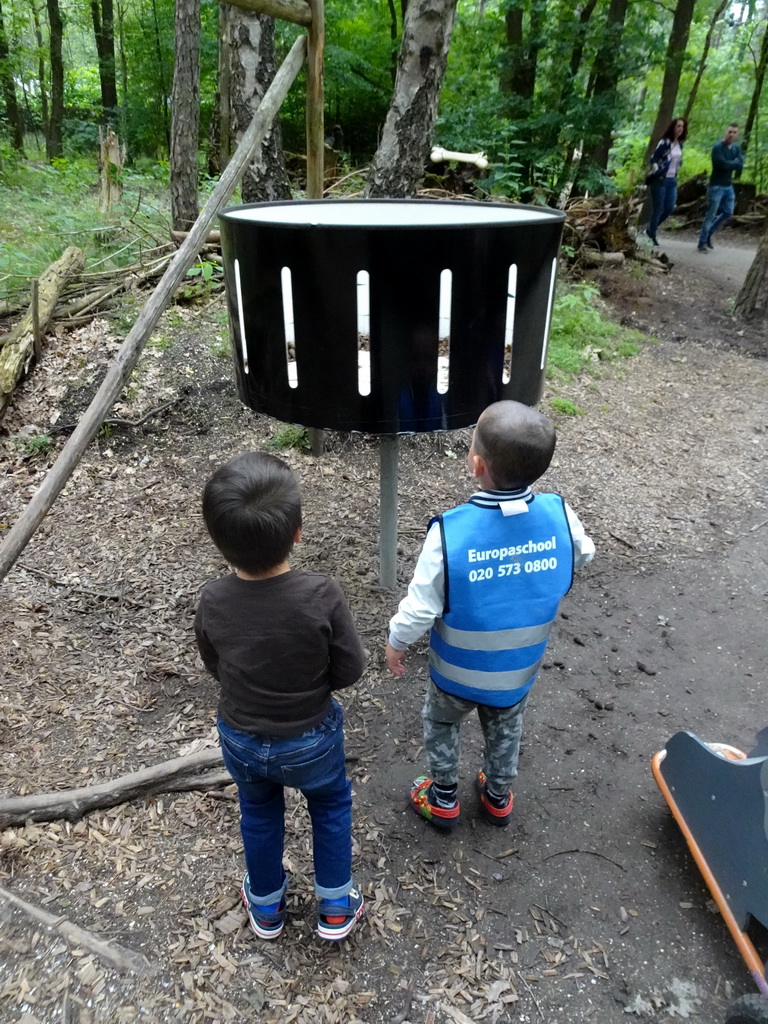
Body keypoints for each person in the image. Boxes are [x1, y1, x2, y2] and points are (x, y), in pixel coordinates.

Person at [386, 401, 594, 830]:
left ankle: (443, 797)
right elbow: (584, 552)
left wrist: (396, 641)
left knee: (441, 722)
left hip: (455, 674)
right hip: (515, 673)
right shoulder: (560, 514)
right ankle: (497, 796)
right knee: (505, 729)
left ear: (476, 464)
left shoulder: (451, 532)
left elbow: (421, 605)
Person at [195, 452, 366, 941]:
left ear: (219, 541)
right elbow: (349, 668)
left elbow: (214, 664)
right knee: (330, 804)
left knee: (258, 810)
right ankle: (334, 906)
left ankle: (267, 908)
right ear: (297, 531)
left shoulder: (213, 600)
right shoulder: (321, 594)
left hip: (243, 737)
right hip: (310, 736)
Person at [697, 123, 744, 253]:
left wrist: (733, 164)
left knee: (728, 212)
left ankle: (709, 233)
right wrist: (733, 163)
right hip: (716, 186)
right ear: (725, 132)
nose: (731, 134)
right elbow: (721, 165)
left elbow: (740, 165)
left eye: (734, 132)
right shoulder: (717, 148)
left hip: (728, 186)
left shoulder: (736, 149)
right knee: (711, 214)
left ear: (737, 134)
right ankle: (702, 242)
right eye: (730, 132)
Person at [645, 117, 688, 246]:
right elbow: (653, 158)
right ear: (673, 127)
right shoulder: (664, 142)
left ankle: (650, 229)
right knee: (658, 208)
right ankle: (652, 235)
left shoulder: (680, 144)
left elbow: (678, 159)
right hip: (660, 179)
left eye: (682, 126)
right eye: (677, 126)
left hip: (672, 180)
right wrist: (658, 170)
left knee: (669, 207)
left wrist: (678, 166)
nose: (679, 129)